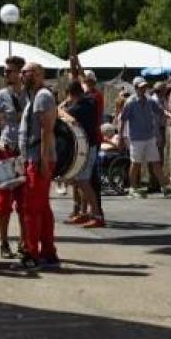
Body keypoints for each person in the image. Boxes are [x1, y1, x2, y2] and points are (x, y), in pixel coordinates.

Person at [18, 61, 59, 270]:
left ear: (37, 74)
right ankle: (48, 252)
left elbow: (46, 130)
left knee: (32, 208)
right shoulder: (34, 97)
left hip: (39, 158)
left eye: (25, 73)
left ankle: (31, 253)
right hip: (35, 158)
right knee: (42, 207)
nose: (21, 76)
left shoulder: (42, 96)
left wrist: (42, 160)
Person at [0, 56, 28, 259]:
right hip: (7, 150)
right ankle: (3, 243)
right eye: (5, 71)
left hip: (26, 153)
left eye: (9, 71)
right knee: (3, 202)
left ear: (21, 73)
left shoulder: (31, 95)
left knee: (24, 202)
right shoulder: (1, 95)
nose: (6, 75)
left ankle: (24, 242)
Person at [64, 78, 104, 229]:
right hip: (89, 146)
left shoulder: (79, 108)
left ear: (71, 94)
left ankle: (97, 215)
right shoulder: (91, 101)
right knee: (80, 180)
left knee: (83, 181)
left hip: (87, 147)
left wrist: (61, 107)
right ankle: (85, 212)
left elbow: (66, 115)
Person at [119, 78, 168, 196]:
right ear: (135, 88)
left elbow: (160, 111)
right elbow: (123, 120)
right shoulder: (130, 102)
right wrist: (121, 137)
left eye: (145, 87)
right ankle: (132, 188)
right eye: (141, 87)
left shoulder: (150, 101)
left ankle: (164, 187)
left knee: (156, 162)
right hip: (136, 138)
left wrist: (170, 116)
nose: (143, 89)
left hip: (150, 137)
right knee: (136, 164)